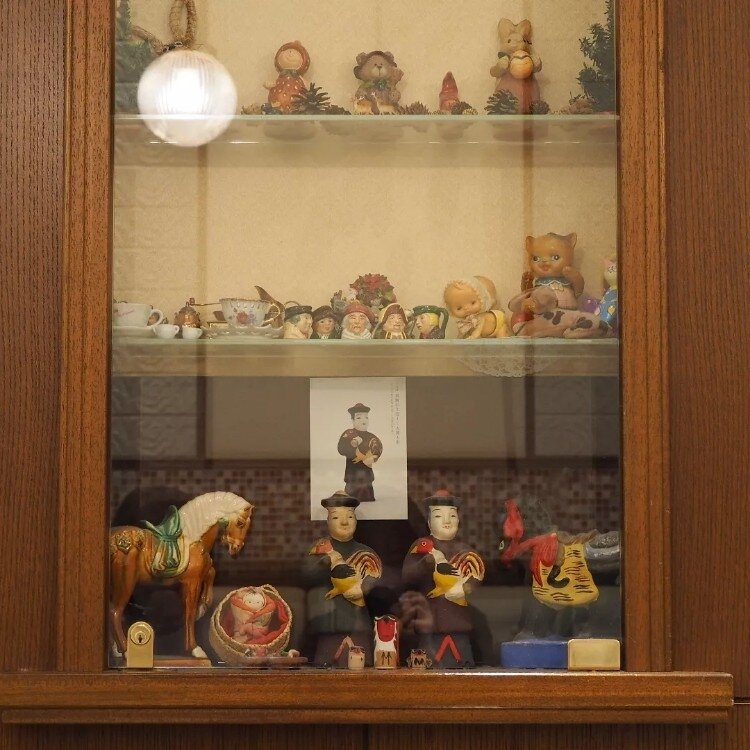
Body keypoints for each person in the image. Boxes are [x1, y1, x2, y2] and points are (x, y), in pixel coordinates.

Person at [401, 490, 485, 667]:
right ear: (429, 522)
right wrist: (424, 564)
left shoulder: (465, 551)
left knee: (461, 654)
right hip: (430, 617)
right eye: (439, 516)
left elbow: (475, 577)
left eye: (452, 516)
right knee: (430, 657)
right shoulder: (422, 546)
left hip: (458, 617)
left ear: (459, 520)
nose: (447, 521)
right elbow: (407, 576)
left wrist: (466, 587)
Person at [302, 491, 383, 667]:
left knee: (362, 668)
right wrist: (323, 563)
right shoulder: (319, 549)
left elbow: (376, 578)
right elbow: (306, 575)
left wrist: (363, 587)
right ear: (328, 521)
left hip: (358, 624)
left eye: (350, 516)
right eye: (336, 517)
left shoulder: (366, 552)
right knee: (325, 667)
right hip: (327, 625)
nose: (345, 522)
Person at [337, 403, 383, 502]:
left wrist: (373, 457)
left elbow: (378, 447)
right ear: (353, 420)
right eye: (359, 418)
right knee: (350, 497)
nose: (363, 420)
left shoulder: (371, 437)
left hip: (366, 474)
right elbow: (341, 449)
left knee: (367, 496)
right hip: (352, 473)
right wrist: (352, 445)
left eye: (366, 417)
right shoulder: (349, 433)